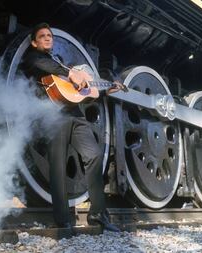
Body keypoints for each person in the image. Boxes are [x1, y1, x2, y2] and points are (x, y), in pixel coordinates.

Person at [23, 23, 125, 232]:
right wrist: (70, 74)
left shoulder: (59, 62)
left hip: (75, 115)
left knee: (95, 154)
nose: (48, 38)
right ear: (35, 42)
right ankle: (63, 220)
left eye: (50, 35)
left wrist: (107, 88)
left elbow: (84, 90)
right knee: (58, 165)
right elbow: (44, 66)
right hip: (53, 115)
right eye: (42, 36)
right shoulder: (34, 58)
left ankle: (98, 214)